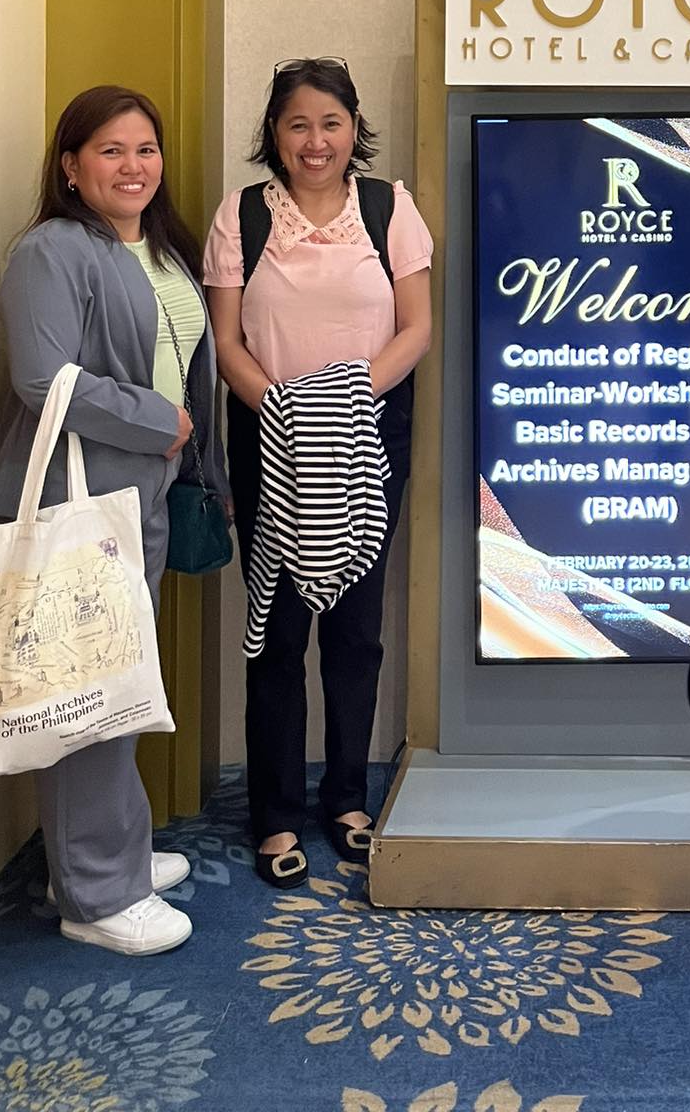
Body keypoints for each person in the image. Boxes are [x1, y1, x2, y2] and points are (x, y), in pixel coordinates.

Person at [0, 85, 223, 956]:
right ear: (70, 167)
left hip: (139, 494)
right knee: (86, 692)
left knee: (115, 684)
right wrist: (163, 423)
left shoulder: (155, 247)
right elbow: (44, 380)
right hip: (78, 499)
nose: (133, 166)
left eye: (146, 149)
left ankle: (104, 857)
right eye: (111, 150)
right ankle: (94, 895)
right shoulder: (50, 250)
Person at [204, 57, 433, 885]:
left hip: (367, 444)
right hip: (272, 445)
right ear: (274, 132)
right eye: (298, 124)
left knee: (355, 632)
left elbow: (416, 328)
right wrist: (289, 413)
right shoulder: (241, 216)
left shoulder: (388, 209)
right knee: (277, 631)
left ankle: (346, 800)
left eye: (330, 124)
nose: (315, 141)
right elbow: (226, 341)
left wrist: (339, 404)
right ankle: (275, 815)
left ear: (353, 129)